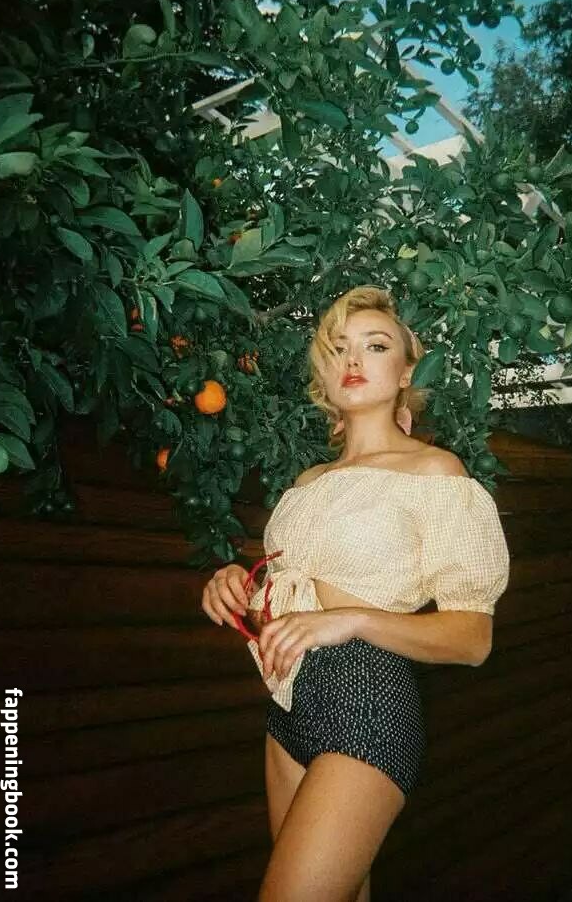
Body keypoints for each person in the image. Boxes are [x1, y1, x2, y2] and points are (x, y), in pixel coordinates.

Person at [201, 285, 510, 901]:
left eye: (376, 346)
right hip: (287, 704)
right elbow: (297, 591)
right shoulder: (309, 482)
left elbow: (473, 638)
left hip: (365, 699)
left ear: (406, 372)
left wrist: (351, 620)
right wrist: (238, 583)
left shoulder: (435, 473)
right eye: (339, 347)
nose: (353, 359)